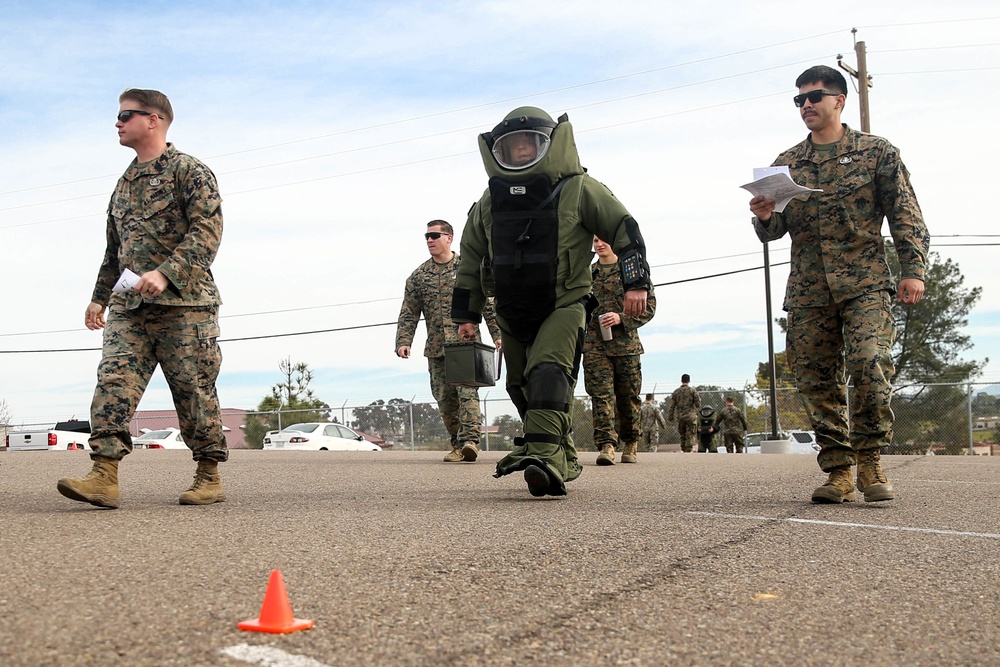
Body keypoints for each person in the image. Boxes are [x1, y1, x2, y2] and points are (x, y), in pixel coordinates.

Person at [748, 65, 929, 503]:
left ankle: (870, 463)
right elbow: (775, 234)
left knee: (869, 363)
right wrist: (765, 215)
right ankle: (838, 471)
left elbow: (905, 213)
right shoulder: (787, 164)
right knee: (814, 378)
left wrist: (914, 269)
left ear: (839, 100)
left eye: (815, 97)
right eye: (799, 100)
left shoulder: (876, 152)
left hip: (865, 282)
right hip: (809, 290)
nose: (806, 105)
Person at [452, 106, 651, 497]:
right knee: (520, 387)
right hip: (510, 308)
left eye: (530, 143)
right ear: (498, 152)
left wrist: (635, 283)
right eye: (512, 146)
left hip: (564, 302)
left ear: (550, 143)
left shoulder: (580, 187)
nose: (522, 151)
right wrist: (466, 314)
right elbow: (471, 256)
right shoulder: (489, 202)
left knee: (548, 374)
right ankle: (561, 457)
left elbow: (624, 229)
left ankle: (540, 457)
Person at [57, 89, 227, 508]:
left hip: (185, 308)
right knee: (113, 382)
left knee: (193, 390)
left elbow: (207, 231)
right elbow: (116, 249)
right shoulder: (124, 184)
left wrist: (167, 274)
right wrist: (99, 298)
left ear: (155, 120)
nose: (117, 122)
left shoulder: (189, 171)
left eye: (126, 115)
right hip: (129, 309)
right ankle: (103, 475)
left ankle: (208, 475)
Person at [396, 220, 501, 462]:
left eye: (434, 235)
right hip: (436, 347)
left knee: (467, 393)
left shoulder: (468, 268)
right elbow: (409, 312)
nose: (430, 240)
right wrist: (404, 341)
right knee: (445, 399)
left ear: (449, 238)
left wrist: (498, 335)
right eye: (427, 236)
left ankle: (471, 441)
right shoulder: (419, 277)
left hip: (465, 344)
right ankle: (457, 444)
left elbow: (488, 304)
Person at [583, 236, 656, 465]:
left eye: (603, 239)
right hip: (595, 345)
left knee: (628, 397)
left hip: (626, 345)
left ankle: (631, 442)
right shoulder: (588, 273)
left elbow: (650, 306)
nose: (599, 244)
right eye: (595, 240)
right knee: (600, 396)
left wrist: (621, 318)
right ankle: (607, 444)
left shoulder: (631, 272)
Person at [667, 374, 701, 453]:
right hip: (690, 416)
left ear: (681, 380)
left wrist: (670, 417)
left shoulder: (676, 392)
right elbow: (698, 404)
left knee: (683, 435)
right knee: (690, 434)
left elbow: (672, 406)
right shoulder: (693, 391)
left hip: (681, 417)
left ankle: (683, 449)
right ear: (689, 381)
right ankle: (688, 451)